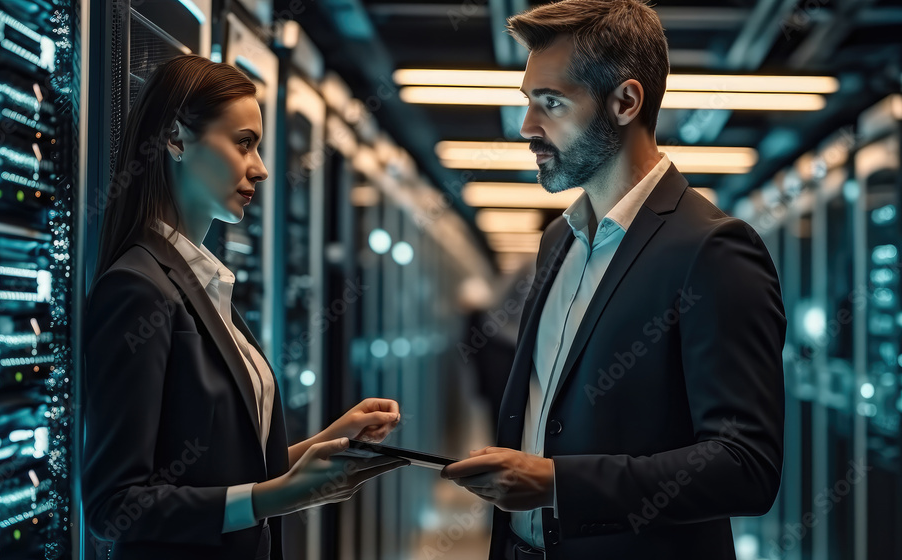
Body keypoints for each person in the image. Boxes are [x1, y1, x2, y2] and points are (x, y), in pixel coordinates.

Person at [440, 2, 787, 559]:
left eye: (551, 103)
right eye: (528, 103)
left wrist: (558, 484)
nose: (528, 127)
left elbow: (745, 465)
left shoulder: (713, 249)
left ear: (625, 102)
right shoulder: (558, 239)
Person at [82, 55, 406, 560]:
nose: (261, 167)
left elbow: (227, 471)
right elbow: (113, 505)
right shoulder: (137, 288)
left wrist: (330, 440)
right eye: (243, 143)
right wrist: (275, 497)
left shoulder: (201, 279)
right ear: (175, 139)